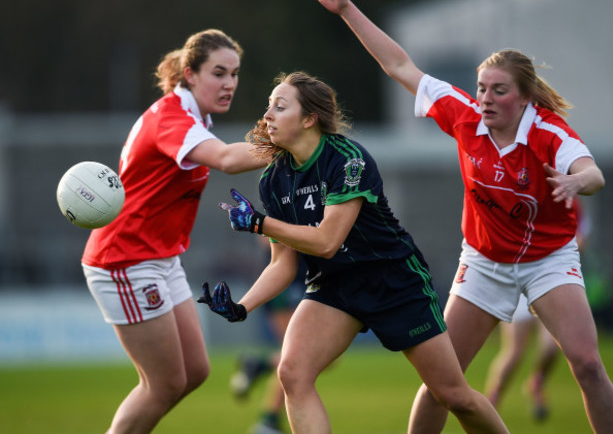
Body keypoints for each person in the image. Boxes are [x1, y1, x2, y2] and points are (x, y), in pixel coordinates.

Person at [302, 0, 613, 433]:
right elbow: (399, 64)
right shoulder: (465, 115)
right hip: (484, 263)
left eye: (499, 91)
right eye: (482, 88)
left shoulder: (548, 133)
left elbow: (594, 173)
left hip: (548, 260)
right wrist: (346, 10)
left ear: (525, 97)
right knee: (443, 381)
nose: (486, 99)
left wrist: (576, 181)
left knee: (588, 365)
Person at [199, 71, 509, 434]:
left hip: (392, 280)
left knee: (453, 394)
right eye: (269, 107)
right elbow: (282, 265)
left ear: (309, 118)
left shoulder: (347, 159)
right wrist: (242, 307)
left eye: (279, 107)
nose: (267, 115)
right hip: (334, 285)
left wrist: (259, 224)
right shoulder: (273, 179)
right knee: (292, 374)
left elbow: (328, 240)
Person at [81, 29, 266, 434]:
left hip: (160, 257)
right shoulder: (171, 116)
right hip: (124, 259)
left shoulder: (194, 116)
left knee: (195, 371)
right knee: (163, 384)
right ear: (190, 73)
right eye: (219, 73)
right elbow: (227, 159)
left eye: (235, 74)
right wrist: (291, 140)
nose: (229, 83)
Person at [484, 198, 591, 422]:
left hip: (549, 279)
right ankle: (491, 401)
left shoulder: (569, 200)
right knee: (513, 353)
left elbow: (581, 237)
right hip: (517, 279)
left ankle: (537, 383)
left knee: (552, 347)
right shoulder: (519, 191)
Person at [230, 238, 308, 434]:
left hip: (306, 279)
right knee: (298, 355)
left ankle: (258, 365)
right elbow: (265, 236)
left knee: (306, 355)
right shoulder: (282, 207)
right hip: (284, 284)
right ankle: (269, 422)